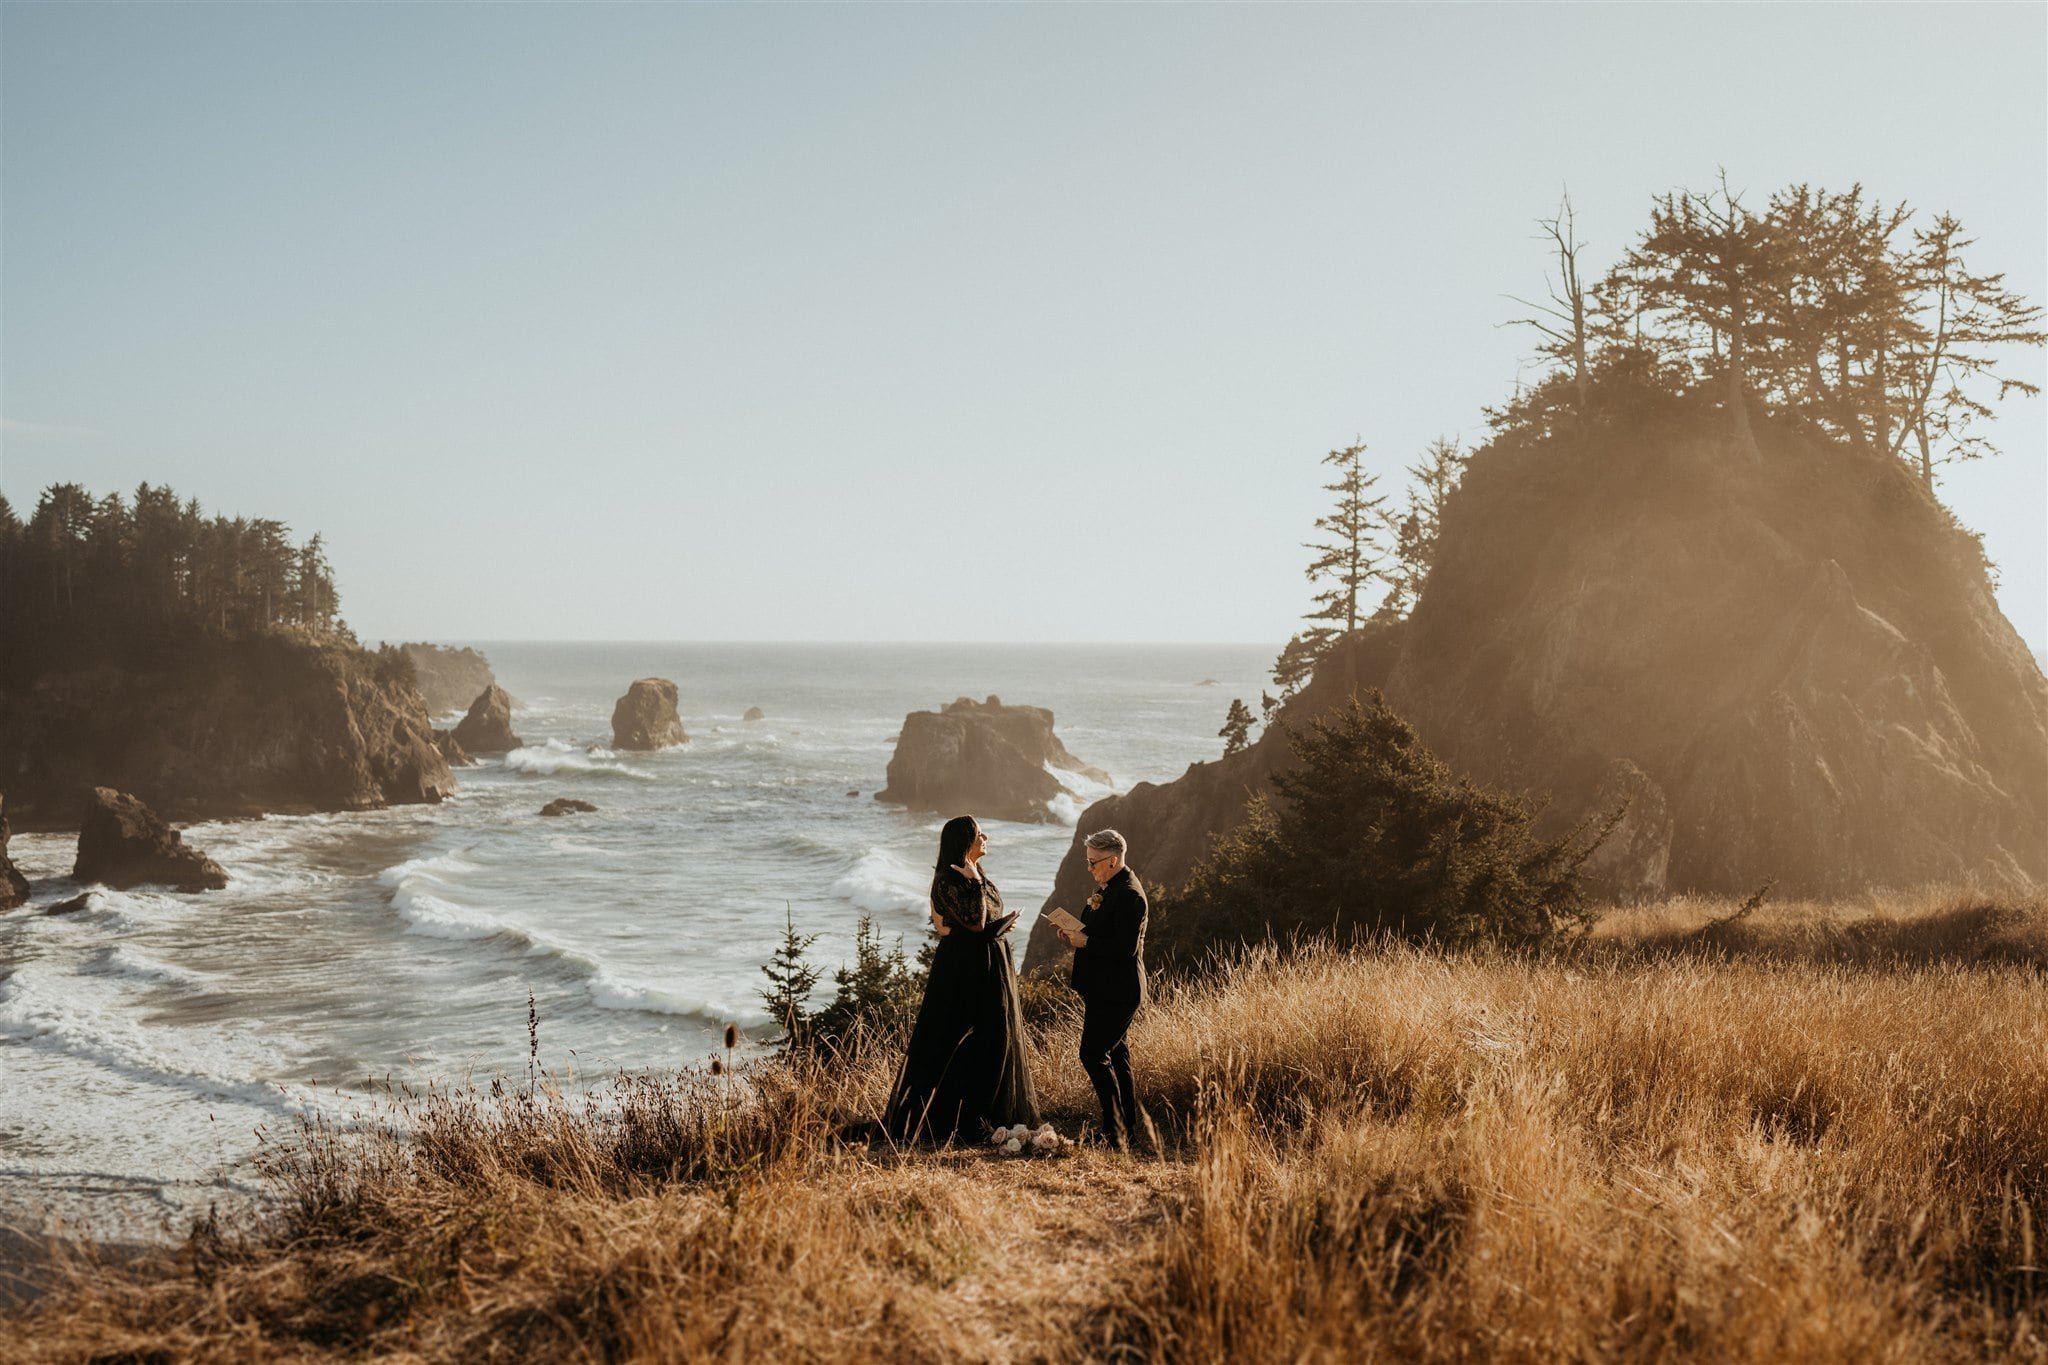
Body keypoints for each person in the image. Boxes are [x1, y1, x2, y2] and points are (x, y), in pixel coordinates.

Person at [883, 815, 1040, 1143]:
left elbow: (988, 917)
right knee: (964, 1038)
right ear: (964, 841)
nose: (986, 836)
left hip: (990, 962)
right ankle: (962, 1121)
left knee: (996, 1037)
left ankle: (991, 1115)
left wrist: (999, 920)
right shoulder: (949, 878)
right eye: (979, 833)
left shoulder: (974, 872)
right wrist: (975, 884)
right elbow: (975, 921)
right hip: (964, 969)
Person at [1054, 828, 1148, 1149]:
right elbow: (1099, 930)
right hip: (1103, 987)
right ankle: (1125, 1131)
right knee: (1117, 1054)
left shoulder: (1131, 895)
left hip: (1119, 990)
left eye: (1094, 862)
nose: (1090, 868)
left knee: (1093, 1054)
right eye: (1088, 861)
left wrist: (1087, 941)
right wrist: (1074, 933)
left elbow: (1126, 949)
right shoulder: (1109, 887)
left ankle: (1114, 1132)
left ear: (1113, 860)